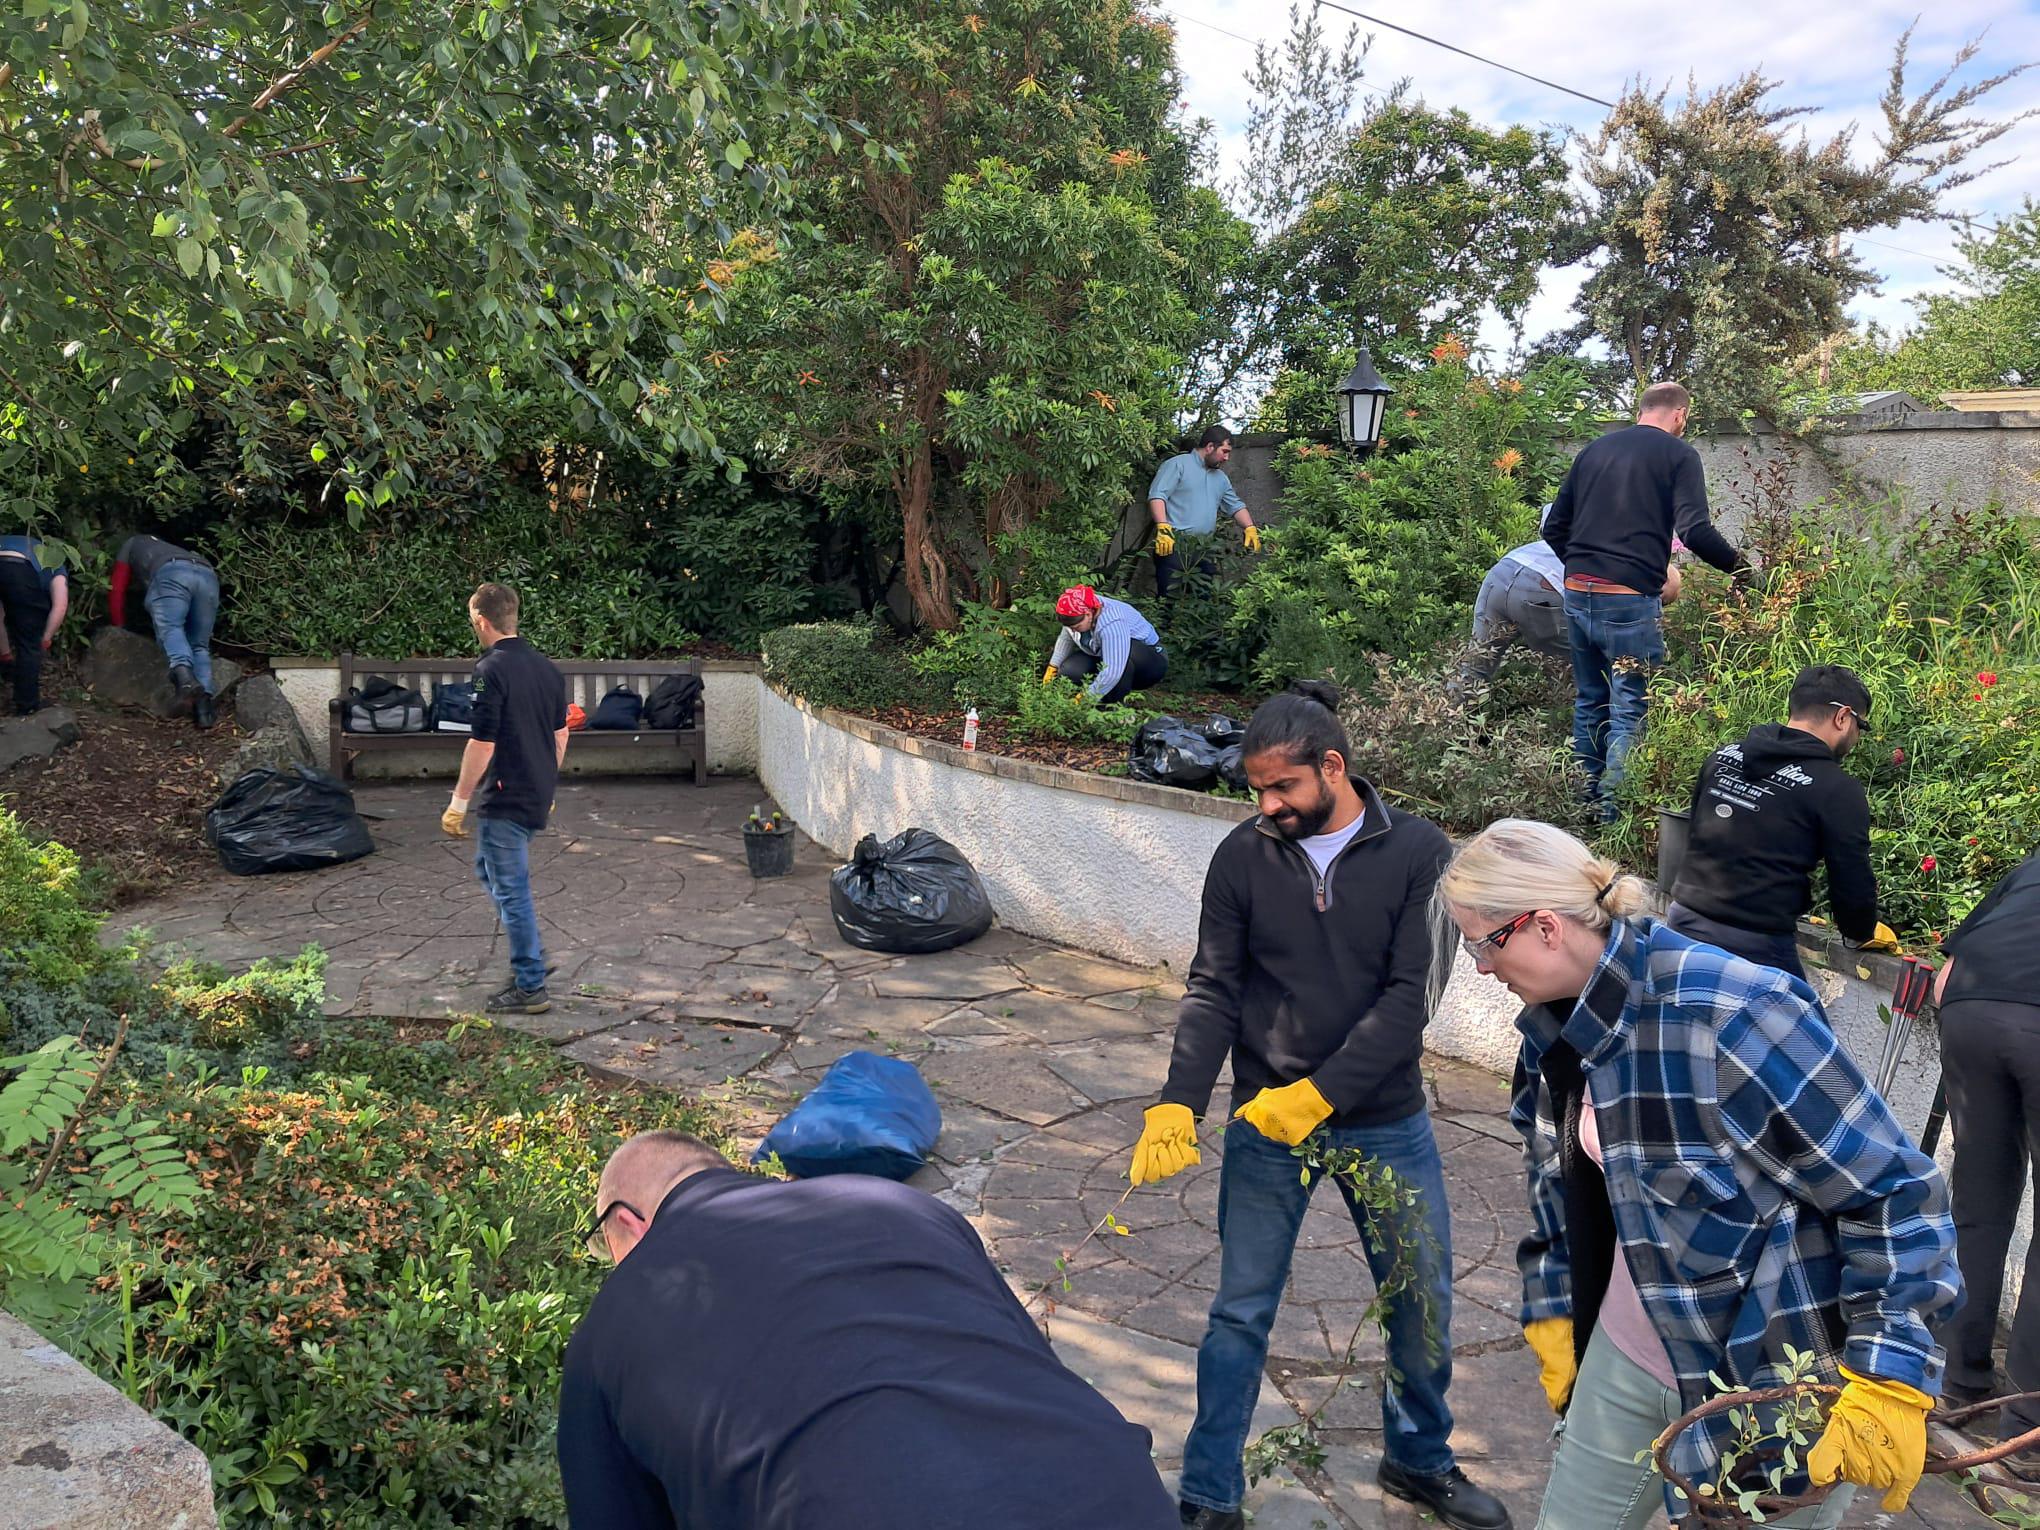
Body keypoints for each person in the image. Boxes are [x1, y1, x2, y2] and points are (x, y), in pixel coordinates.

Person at [1441, 818, 1962, 1528]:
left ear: (1544, 926)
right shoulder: (1552, 1032)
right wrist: (1551, 1304)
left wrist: (1889, 1371)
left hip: (1773, 1382)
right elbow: (1556, 1187)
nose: (1479, 966)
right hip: (1629, 1353)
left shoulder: (1735, 1012)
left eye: (1482, 941)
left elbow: (1893, 1191)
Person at [1130, 681, 1511, 1530]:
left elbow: (1411, 997)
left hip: (1385, 1119)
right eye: (1257, 792)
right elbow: (1214, 986)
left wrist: (1323, 1094)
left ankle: (1419, 1460)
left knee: (1420, 1296)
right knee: (1239, 1309)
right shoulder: (1242, 856)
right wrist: (1179, 1102)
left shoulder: (1419, 852)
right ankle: (1209, 1493)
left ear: (1332, 767)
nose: (1269, 806)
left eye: (1283, 789)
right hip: (1267, 1123)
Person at [558, 1129, 1178, 1529]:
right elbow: (1019, 1352)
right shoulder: (899, 1205)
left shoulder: (609, 1327)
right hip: (1114, 1494)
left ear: (627, 1222)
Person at [1542, 382, 1751, 817]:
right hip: (1628, 601)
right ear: (1680, 416)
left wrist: (1585, 568)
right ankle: (1614, 818)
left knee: (1589, 700)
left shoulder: (1594, 451)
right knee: (1631, 707)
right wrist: (1743, 570)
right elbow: (1694, 531)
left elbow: (1553, 528)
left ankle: (1585, 808)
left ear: (1642, 410)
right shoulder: (1680, 455)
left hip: (1578, 590)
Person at [1665, 664, 1898, 979]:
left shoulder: (1722, 757)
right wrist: (1861, 928)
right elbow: (1850, 881)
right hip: (1755, 943)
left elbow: (1695, 831)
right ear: (1842, 717)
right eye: (1860, 725)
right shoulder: (1836, 789)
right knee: (1802, 1027)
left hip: (1682, 923)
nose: (1858, 736)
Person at [1935, 848, 2040, 1439]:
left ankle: (1956, 1381)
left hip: (1972, 1007)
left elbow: (1946, 971)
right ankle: (2027, 1429)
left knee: (1977, 1204)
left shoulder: (2031, 865)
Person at [439, 582, 567, 1015]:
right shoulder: (547, 669)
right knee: (488, 868)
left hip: (505, 795)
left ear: (481, 620)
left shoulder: (489, 670)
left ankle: (530, 984)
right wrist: (547, 784)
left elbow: (482, 742)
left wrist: (458, 802)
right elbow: (560, 733)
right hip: (534, 791)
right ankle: (529, 949)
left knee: (511, 889)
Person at [1463, 513, 1681, 685]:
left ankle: (1446, 733)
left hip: (1504, 570)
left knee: (1473, 668)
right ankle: (1601, 736)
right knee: (1611, 669)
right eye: (1663, 600)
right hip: (1544, 588)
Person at [108, 533, 221, 728]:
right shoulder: (168, 546)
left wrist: (118, 625)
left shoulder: (131, 543)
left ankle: (184, 678)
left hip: (172, 573)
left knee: (171, 628)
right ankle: (204, 711)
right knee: (200, 645)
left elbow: (117, 588)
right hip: (208, 575)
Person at [1146, 424, 1262, 598]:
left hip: (1204, 550)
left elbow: (1235, 505)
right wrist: (1163, 527)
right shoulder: (1177, 465)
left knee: (1204, 600)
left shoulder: (1221, 478)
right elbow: (1157, 496)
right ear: (1209, 447)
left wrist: (1249, 527)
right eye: (1224, 451)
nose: (1227, 457)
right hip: (1173, 546)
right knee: (1168, 603)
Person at [1043, 584, 1167, 703]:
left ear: (1088, 614)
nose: (1073, 630)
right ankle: (1100, 695)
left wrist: (1085, 699)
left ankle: (1114, 708)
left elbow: (1113, 671)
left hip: (1149, 663)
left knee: (1122, 661)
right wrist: (1053, 667)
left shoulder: (1111, 622)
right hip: (1105, 654)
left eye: (1076, 627)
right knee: (1070, 670)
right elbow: (1065, 639)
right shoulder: (1075, 608)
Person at [0, 534, 70, 715]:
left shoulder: (11, 541)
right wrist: (45, 639)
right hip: (21, 571)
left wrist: (5, 653)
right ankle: (27, 705)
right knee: (29, 644)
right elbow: (60, 605)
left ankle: (6, 667)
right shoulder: (55, 562)